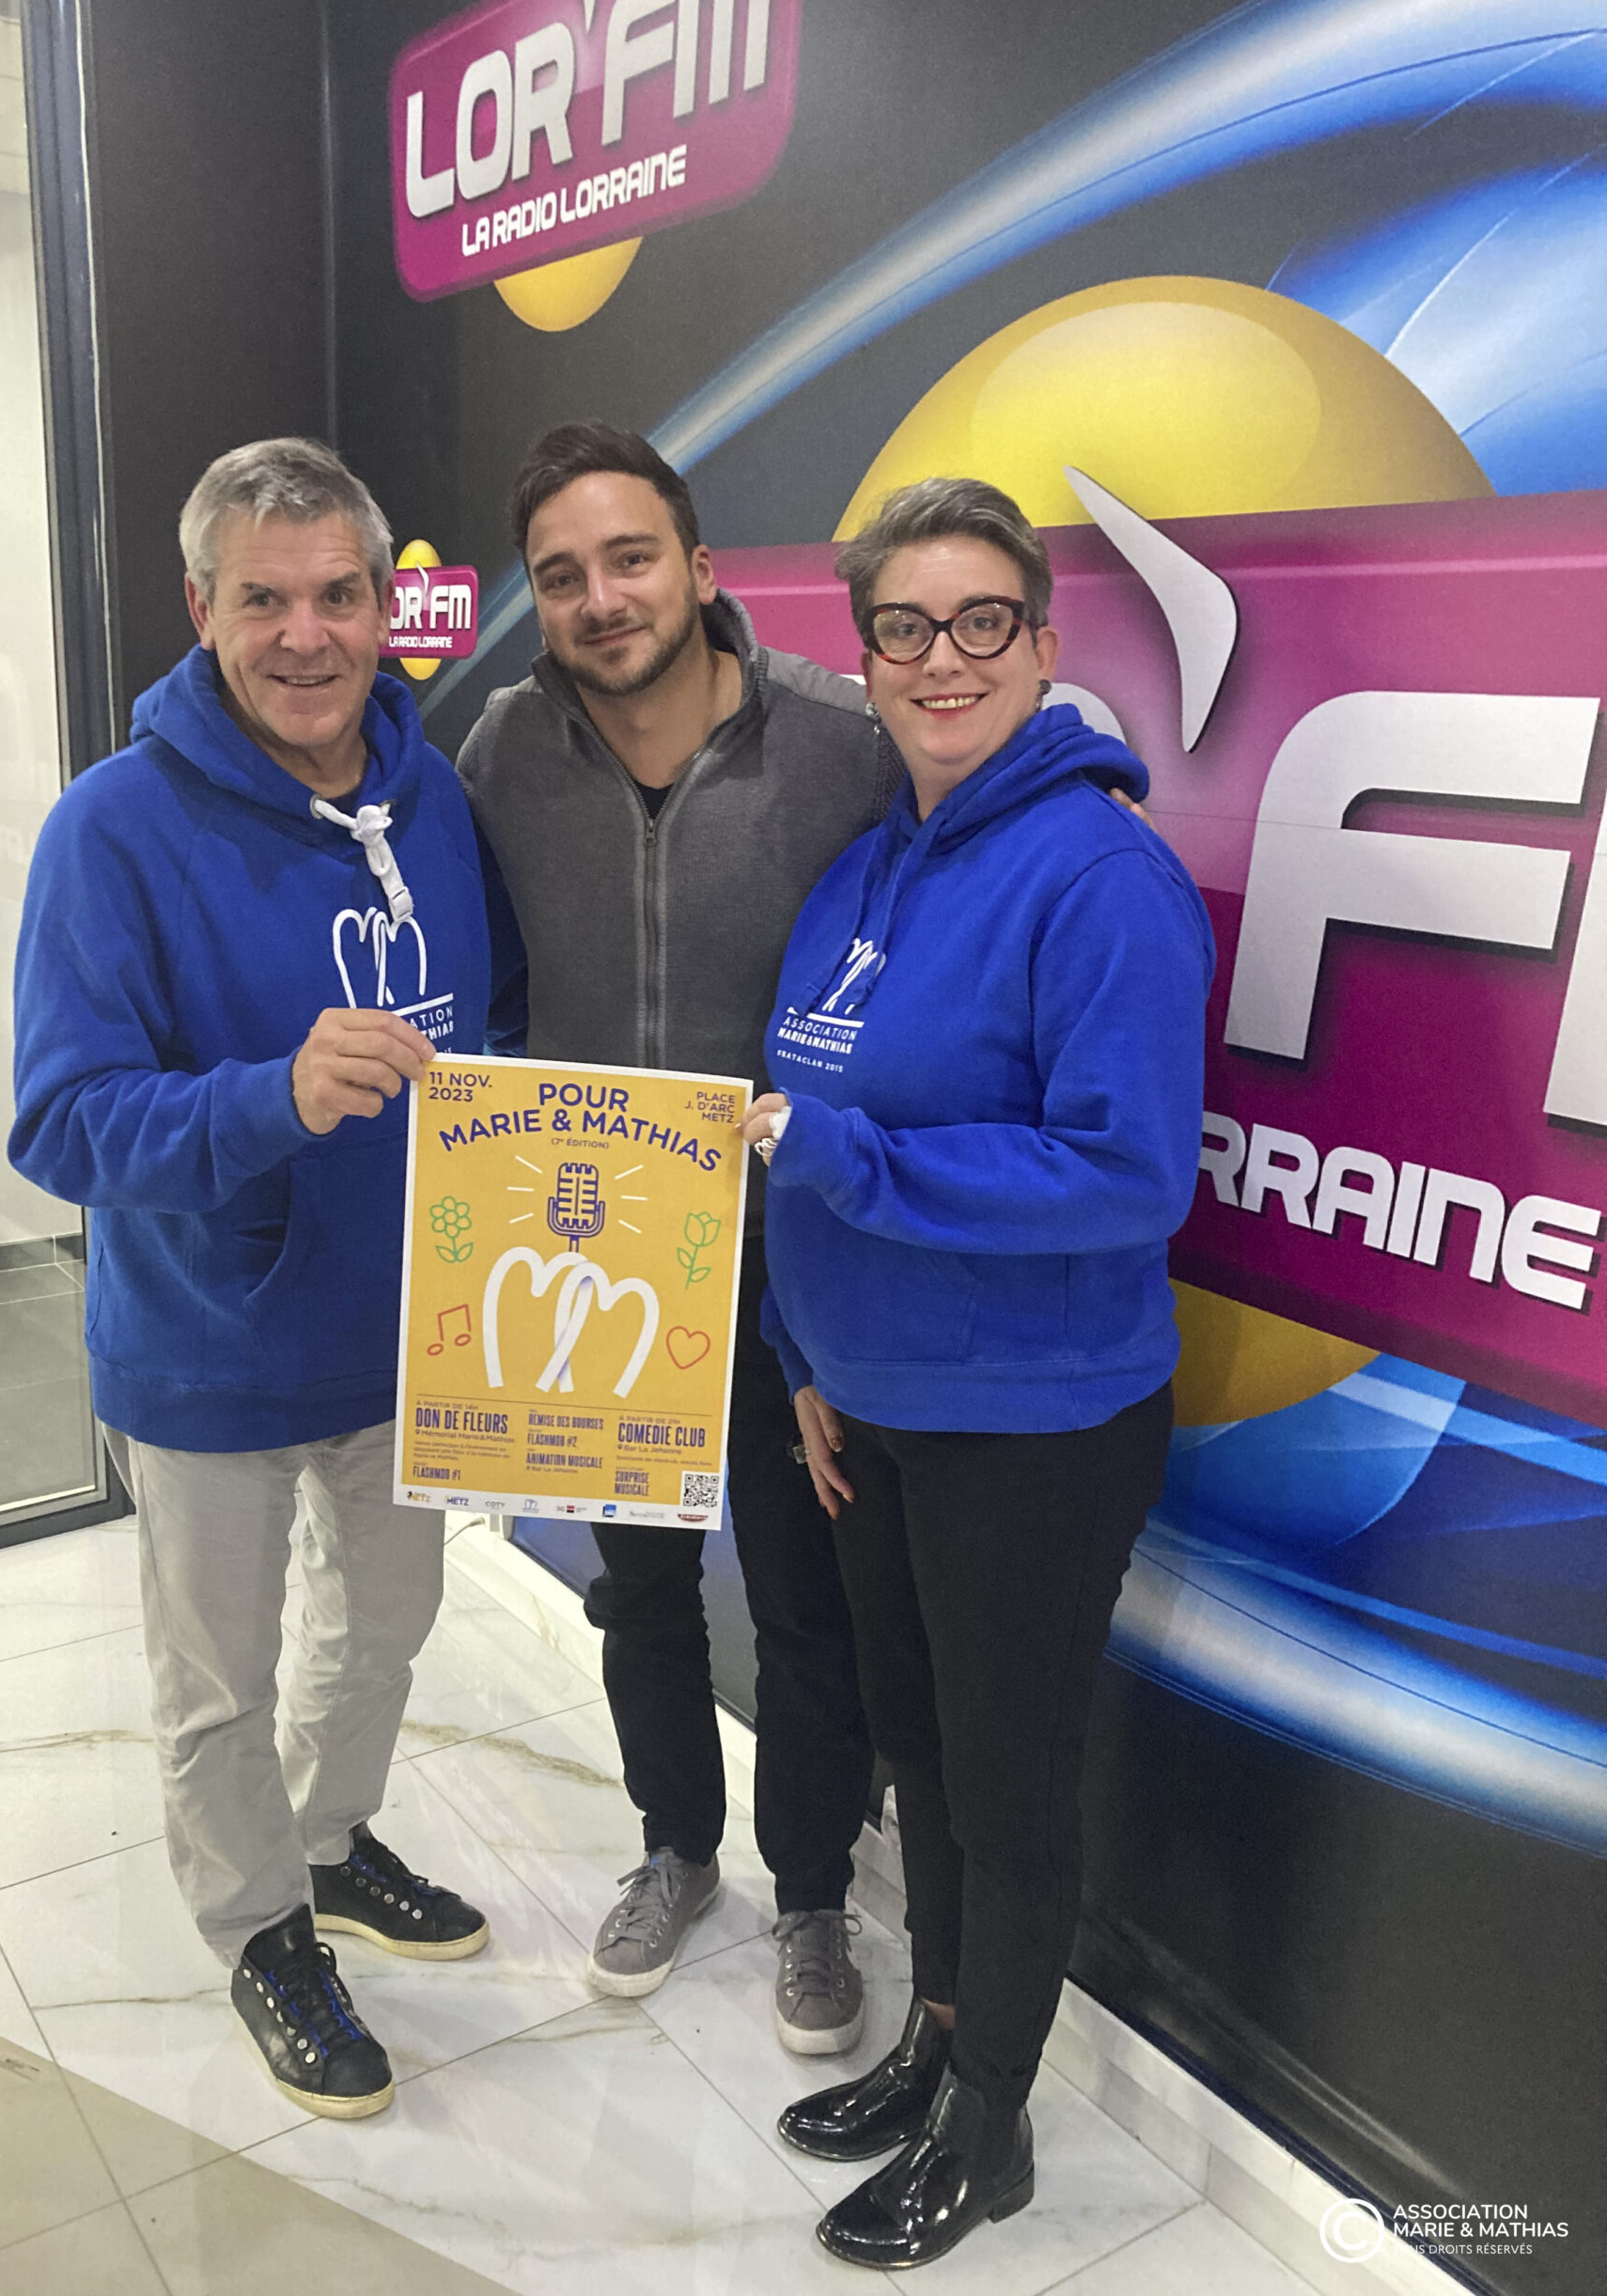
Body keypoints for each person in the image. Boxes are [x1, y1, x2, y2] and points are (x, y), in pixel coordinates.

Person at [740, 476, 1213, 2269]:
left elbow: (1127, 1173)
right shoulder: (865, 868)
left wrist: (859, 1166)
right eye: (906, 628)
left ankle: (991, 2127)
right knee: (922, 1757)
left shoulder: (1101, 876)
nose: (944, 659)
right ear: (864, 659)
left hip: (1035, 1424)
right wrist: (804, 1351)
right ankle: (941, 2043)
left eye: (982, 621)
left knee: (1006, 1791)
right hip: (871, 1409)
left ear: (1042, 642)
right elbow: (790, 1138)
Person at [10, 439, 498, 2123]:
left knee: (386, 1633)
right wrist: (269, 1100)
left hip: (408, 1334)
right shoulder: (110, 829)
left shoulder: (438, 801)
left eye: (338, 594)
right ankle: (261, 1929)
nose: (307, 634)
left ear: (381, 605)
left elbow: (491, 1038)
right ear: (201, 608)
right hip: (207, 1343)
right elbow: (60, 1123)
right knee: (218, 1681)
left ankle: (332, 1846)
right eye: (264, 599)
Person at [460, 421, 890, 2052]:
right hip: (597, 1255)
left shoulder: (842, 749)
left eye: (630, 558)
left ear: (700, 569)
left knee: (804, 1603)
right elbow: (488, 969)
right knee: (637, 1592)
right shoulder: (505, 747)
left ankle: (813, 1898)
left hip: (788, 1268)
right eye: (562, 574)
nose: (600, 597)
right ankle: (676, 1848)